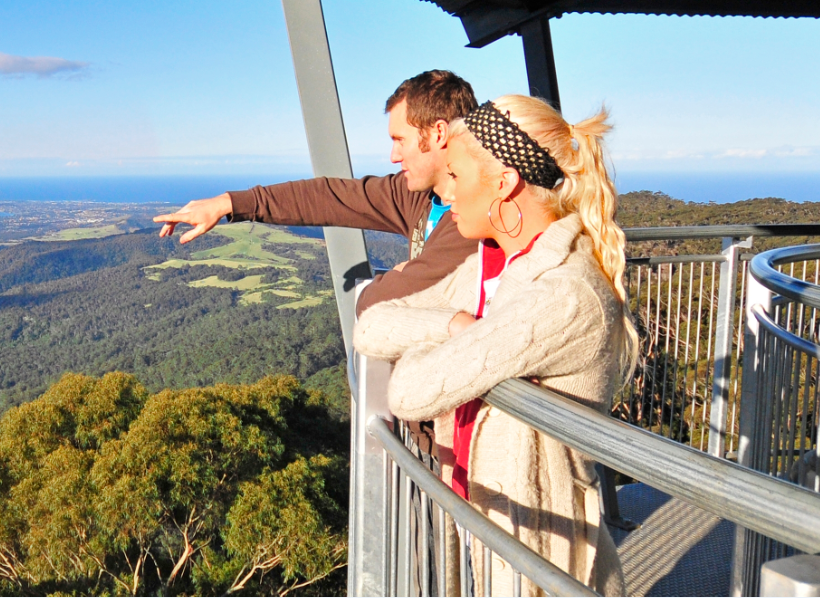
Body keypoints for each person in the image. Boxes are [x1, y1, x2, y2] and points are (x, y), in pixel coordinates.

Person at [352, 95, 638, 595]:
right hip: (488, 507)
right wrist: (459, 324)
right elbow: (372, 325)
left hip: (540, 535)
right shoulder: (491, 266)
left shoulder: (562, 294)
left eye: (458, 178)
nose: (450, 196)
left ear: (504, 183)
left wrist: (435, 335)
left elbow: (411, 391)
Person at [152, 70, 478, 316]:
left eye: (400, 140)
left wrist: (393, 277)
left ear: (438, 132)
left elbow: (379, 302)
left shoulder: (473, 220)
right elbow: (327, 197)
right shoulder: (418, 196)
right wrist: (228, 203)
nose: (393, 156)